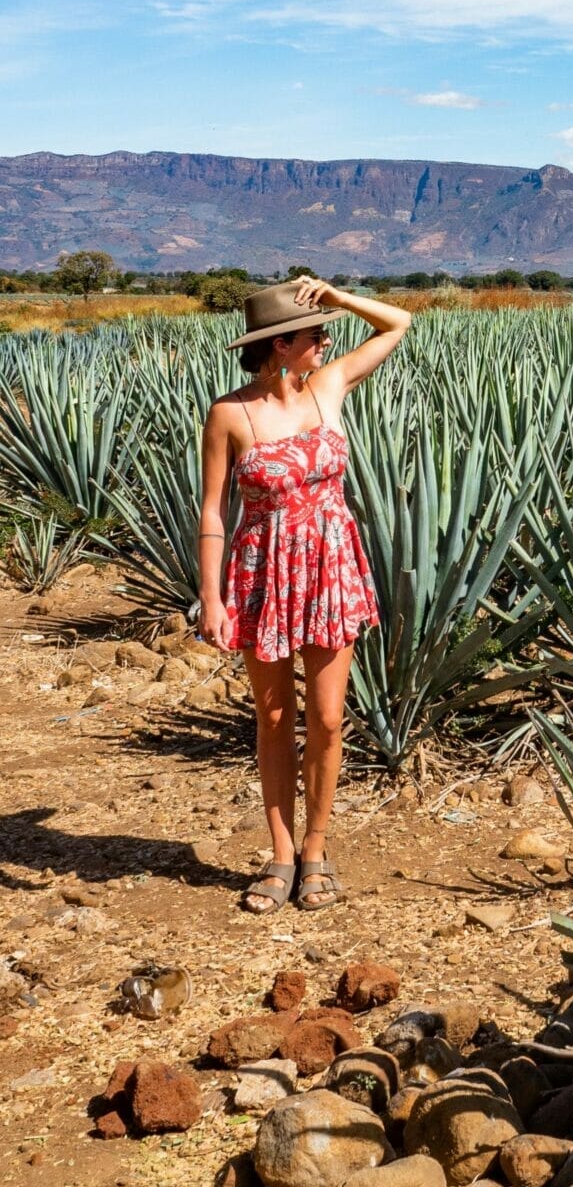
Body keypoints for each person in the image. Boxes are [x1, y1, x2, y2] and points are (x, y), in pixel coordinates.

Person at [198, 276, 410, 913]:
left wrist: (339, 298)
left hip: (329, 568)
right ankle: (283, 855)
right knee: (272, 720)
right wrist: (211, 597)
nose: (326, 341)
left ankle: (317, 847)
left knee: (325, 718)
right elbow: (213, 510)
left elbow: (398, 324)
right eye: (315, 333)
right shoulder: (229, 414)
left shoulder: (329, 387)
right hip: (262, 574)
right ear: (279, 345)